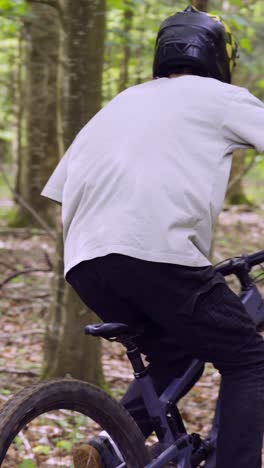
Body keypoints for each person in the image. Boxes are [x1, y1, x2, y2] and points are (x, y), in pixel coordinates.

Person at [41, 5, 264, 468]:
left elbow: (62, 195)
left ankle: (107, 447)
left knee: (176, 349)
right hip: (155, 255)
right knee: (248, 359)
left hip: (84, 262)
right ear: (219, 57)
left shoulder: (121, 102)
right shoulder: (220, 97)